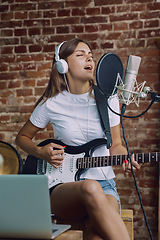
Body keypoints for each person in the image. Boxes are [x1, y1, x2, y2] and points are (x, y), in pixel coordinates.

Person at [16, 38, 140, 240]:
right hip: (61, 186)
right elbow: (22, 137)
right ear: (62, 65)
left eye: (90, 55)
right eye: (80, 55)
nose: (89, 58)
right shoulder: (52, 103)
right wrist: (40, 152)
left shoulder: (108, 98)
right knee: (90, 187)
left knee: (96, 231)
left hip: (105, 184)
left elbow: (116, 145)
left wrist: (125, 157)